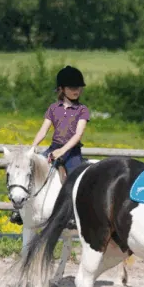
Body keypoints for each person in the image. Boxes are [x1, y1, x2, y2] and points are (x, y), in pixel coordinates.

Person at [11, 65, 90, 225]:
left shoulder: (82, 110)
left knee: (75, 179)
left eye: (78, 87)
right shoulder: (53, 109)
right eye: (72, 87)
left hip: (72, 152)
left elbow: (78, 135)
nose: (77, 91)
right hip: (53, 148)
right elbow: (43, 130)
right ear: (62, 89)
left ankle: (72, 215)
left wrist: (62, 151)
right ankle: (20, 210)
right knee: (27, 169)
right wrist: (33, 147)